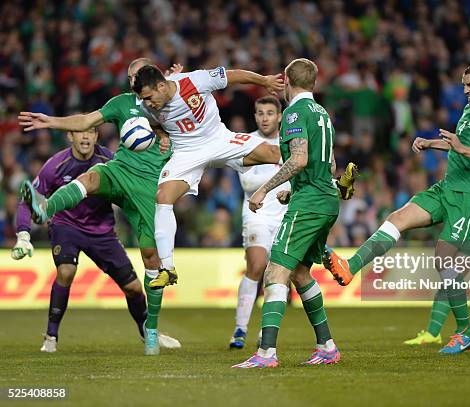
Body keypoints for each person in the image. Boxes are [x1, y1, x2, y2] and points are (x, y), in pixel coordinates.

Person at [324, 62, 470, 354]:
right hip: (447, 187)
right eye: (464, 85)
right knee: (397, 217)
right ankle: (351, 268)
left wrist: (461, 148)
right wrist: (432, 143)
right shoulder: (468, 111)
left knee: (444, 258)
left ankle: (465, 331)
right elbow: (460, 144)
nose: (465, 91)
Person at [17, 58, 182, 355]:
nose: (134, 81)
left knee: (150, 258)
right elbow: (84, 120)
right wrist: (51, 121)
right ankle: (44, 209)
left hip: (148, 188)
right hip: (120, 173)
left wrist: (167, 127)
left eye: (139, 75)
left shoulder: (169, 104)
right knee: (93, 177)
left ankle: (151, 331)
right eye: (131, 76)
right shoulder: (121, 104)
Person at [130, 65, 284, 289]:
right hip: (186, 153)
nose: (148, 103)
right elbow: (154, 123)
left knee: (276, 154)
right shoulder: (147, 106)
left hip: (219, 140)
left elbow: (233, 76)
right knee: (163, 197)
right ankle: (167, 268)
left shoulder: (194, 81)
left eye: (150, 97)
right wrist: (162, 135)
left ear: (162, 86)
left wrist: (265, 81)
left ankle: (328, 183)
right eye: (144, 99)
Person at [233, 58, 343, 368]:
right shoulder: (322, 114)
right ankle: (327, 346)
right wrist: (292, 190)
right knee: (299, 272)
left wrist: (263, 189)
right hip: (324, 200)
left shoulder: (295, 111)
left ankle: (266, 352)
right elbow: (330, 165)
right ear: (314, 83)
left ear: (287, 81)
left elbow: (299, 159)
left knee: (275, 272)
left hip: (308, 204)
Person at [230, 95, 289, 349]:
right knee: (256, 265)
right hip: (257, 214)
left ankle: (266, 332)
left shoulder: (290, 142)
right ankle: (240, 329)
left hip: (286, 215)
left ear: (279, 117)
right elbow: (246, 182)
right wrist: (280, 172)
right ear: (255, 116)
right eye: (260, 113)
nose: (265, 117)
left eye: (269, 113)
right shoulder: (246, 143)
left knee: (279, 275)